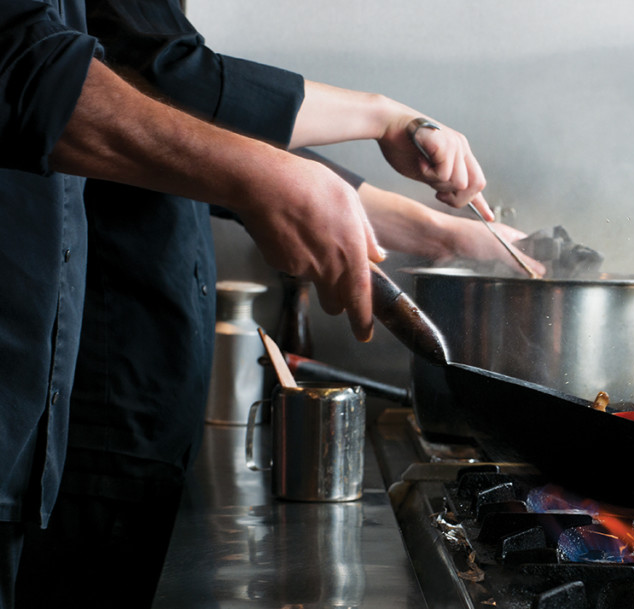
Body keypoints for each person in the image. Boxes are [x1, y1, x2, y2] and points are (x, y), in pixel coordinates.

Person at [0, 1, 535, 607]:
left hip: (90, 404)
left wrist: (447, 236)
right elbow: (139, 76)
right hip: (95, 392)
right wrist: (378, 115)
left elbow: (196, 123)